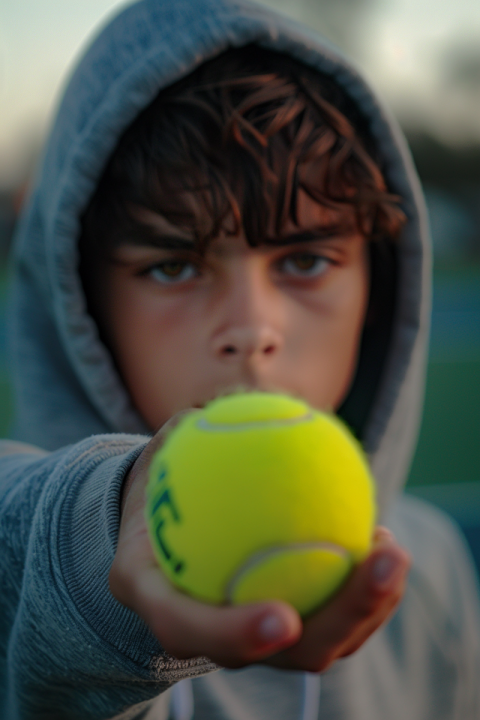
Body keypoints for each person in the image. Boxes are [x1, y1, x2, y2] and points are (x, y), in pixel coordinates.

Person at [1, 1, 479, 718]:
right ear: (83, 307)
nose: (251, 329)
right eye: (173, 267)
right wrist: (91, 552)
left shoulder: (433, 569)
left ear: (377, 290)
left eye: (307, 260)